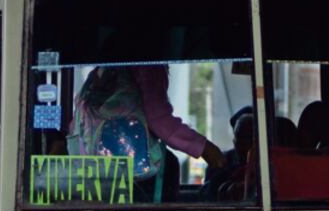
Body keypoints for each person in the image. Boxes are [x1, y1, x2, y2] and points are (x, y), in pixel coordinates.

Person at [69, 65, 226, 201]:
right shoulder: (149, 66)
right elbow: (160, 121)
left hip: (92, 169)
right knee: (169, 164)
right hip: (135, 171)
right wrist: (205, 149)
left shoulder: (98, 73)